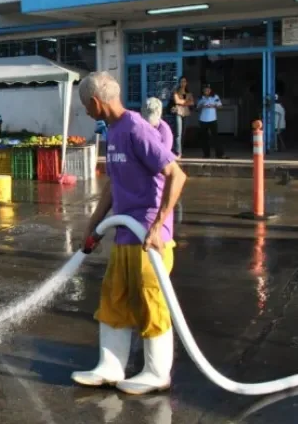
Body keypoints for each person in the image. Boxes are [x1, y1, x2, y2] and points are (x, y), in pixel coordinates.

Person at [71, 71, 187, 396]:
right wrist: (93, 224)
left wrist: (157, 226)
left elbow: (176, 175)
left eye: (85, 106)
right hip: (123, 232)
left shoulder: (136, 128)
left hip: (149, 238)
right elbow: (113, 183)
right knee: (114, 297)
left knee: (151, 300)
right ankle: (110, 366)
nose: (86, 112)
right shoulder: (113, 131)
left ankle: (156, 372)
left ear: (95, 102)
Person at [197, 84, 226, 159]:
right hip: (203, 120)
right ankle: (206, 154)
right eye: (205, 90)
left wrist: (213, 106)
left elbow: (220, 106)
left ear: (210, 90)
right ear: (203, 90)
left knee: (216, 137)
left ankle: (219, 154)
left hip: (213, 119)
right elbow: (197, 108)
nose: (207, 91)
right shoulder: (201, 98)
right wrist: (202, 106)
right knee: (204, 138)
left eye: (208, 89)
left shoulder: (215, 97)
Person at [169, 77, 193, 158]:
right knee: (178, 133)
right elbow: (177, 101)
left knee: (183, 133)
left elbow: (192, 102)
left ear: (186, 83)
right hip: (178, 112)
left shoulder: (189, 93)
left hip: (185, 113)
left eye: (184, 81)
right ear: (179, 82)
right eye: (181, 81)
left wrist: (183, 102)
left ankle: (181, 150)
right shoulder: (176, 92)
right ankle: (178, 152)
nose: (183, 83)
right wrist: (186, 102)